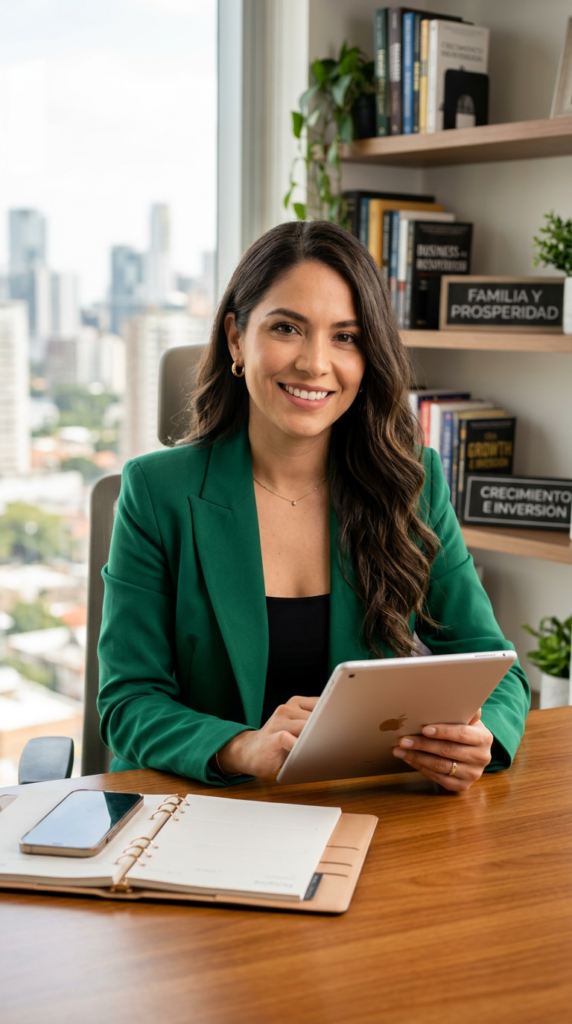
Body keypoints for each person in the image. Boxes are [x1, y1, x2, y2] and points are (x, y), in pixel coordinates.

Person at [97, 220, 529, 792]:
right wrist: (239, 747)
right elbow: (128, 701)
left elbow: (496, 668)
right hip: (213, 812)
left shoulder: (411, 482)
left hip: (373, 809)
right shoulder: (157, 492)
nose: (314, 363)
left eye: (345, 337)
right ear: (235, 338)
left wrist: (481, 739)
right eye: (286, 328)